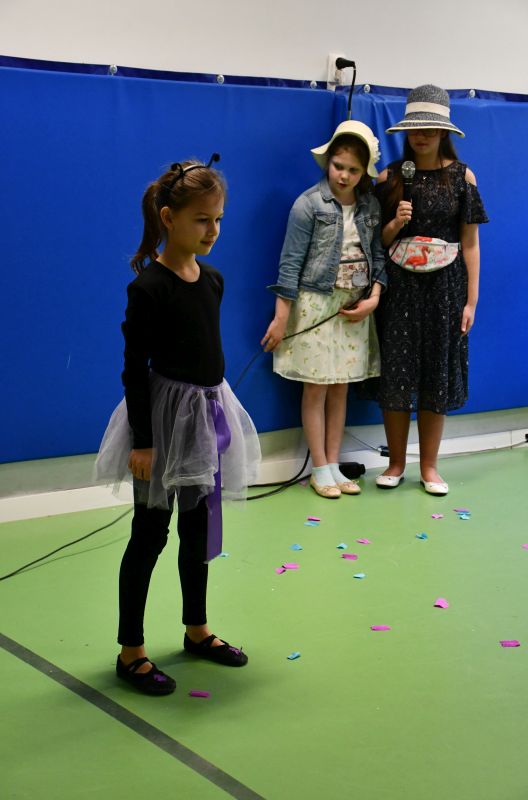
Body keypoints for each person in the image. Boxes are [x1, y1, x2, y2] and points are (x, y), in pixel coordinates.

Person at [94, 157, 261, 695]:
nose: (213, 231)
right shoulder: (149, 288)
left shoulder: (212, 280)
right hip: (163, 422)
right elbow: (133, 368)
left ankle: (197, 630)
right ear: (169, 218)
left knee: (198, 529)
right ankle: (131, 651)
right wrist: (144, 442)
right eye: (201, 220)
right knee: (149, 534)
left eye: (218, 220)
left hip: (206, 417)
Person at [262, 121, 386, 499]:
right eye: (338, 166)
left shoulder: (370, 206)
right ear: (328, 162)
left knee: (340, 388)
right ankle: (319, 466)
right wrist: (281, 317)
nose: (344, 175)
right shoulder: (308, 205)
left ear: (364, 172)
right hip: (315, 306)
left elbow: (378, 255)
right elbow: (289, 264)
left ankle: (334, 463)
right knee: (316, 388)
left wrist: (374, 297)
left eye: (353, 170)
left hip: (353, 307)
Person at [374, 85, 488, 495]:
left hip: (445, 289)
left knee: (436, 373)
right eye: (415, 128)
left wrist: (471, 299)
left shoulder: (462, 177)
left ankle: (430, 467)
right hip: (399, 290)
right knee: (397, 372)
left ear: (444, 133)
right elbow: (376, 243)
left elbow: (470, 243)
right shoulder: (388, 177)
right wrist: (394, 222)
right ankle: (396, 464)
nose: (421, 136)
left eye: (430, 129)